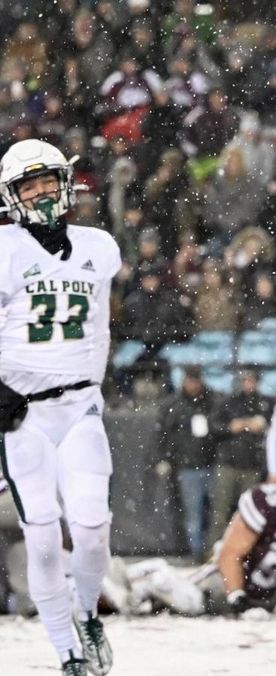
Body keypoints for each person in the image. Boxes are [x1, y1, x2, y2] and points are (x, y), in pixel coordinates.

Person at [0, 139, 123, 676]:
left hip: (79, 405)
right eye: (29, 186)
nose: (42, 193)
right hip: (23, 415)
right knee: (44, 537)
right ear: (12, 196)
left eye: (48, 181)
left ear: (66, 184)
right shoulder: (4, 249)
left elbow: (100, 321)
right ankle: (66, 652)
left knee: (93, 528)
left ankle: (87, 613)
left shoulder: (99, 247)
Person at [110, 456, 276, 617]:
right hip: (225, 583)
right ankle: (152, 575)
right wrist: (239, 599)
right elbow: (230, 554)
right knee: (191, 605)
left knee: (177, 607)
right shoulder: (273, 504)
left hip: (262, 600)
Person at [155, 365, 218, 561]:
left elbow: (218, 429)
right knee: (194, 515)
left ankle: (213, 552)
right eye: (190, 380)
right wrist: (164, 458)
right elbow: (163, 434)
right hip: (188, 467)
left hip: (212, 464)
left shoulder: (211, 402)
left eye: (196, 380)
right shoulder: (175, 405)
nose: (193, 385)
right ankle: (197, 554)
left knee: (215, 514)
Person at [205, 370, 272, 552]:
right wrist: (230, 427)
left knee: (250, 513)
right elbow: (213, 426)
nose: (248, 384)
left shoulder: (265, 403)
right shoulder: (228, 402)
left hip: (252, 465)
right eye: (245, 380)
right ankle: (213, 552)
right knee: (220, 512)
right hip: (228, 464)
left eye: (251, 380)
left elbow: (274, 427)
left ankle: (246, 553)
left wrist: (261, 425)